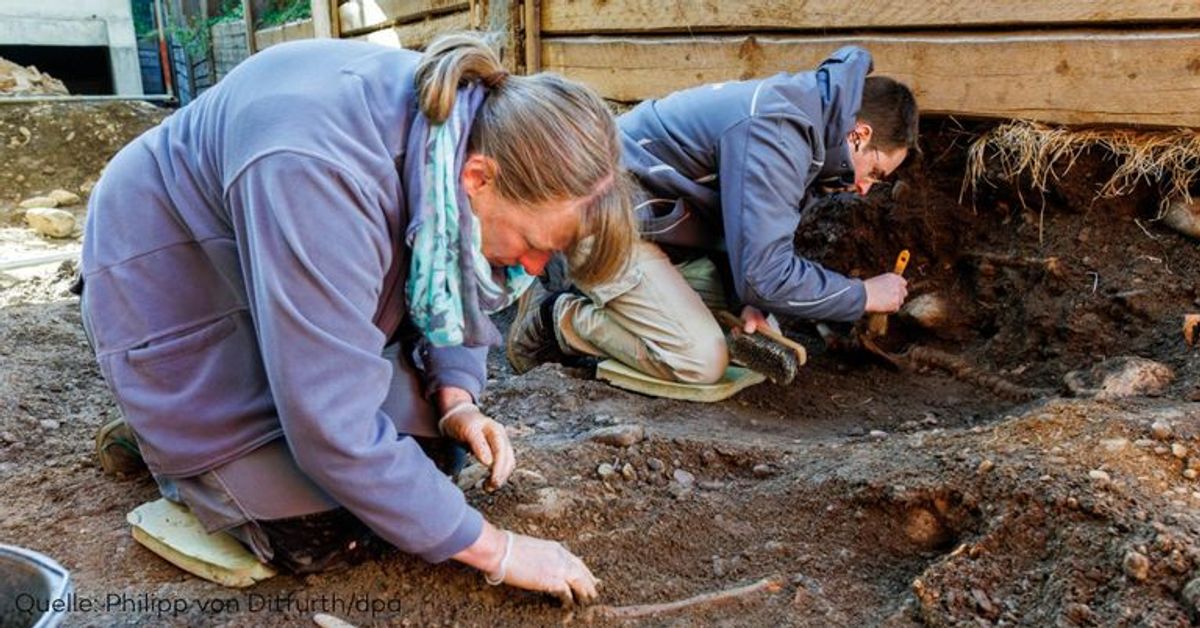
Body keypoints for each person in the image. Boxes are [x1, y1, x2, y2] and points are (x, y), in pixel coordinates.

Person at [79, 32, 635, 604]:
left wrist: (457, 398)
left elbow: (446, 269)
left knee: (433, 456)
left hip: (274, 270)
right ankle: (174, 440)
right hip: (174, 283)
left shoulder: (465, 125)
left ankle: (218, 427)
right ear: (480, 179)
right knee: (318, 536)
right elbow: (332, 426)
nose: (534, 267)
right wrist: (499, 550)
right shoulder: (318, 165)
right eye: (534, 243)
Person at [507, 46, 918, 384]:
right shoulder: (778, 131)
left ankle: (600, 291)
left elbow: (748, 235)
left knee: (741, 330)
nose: (865, 188)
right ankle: (557, 316)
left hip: (654, 223)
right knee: (701, 360)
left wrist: (747, 302)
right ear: (859, 135)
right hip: (604, 215)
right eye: (876, 172)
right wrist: (864, 294)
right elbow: (765, 274)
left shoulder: (807, 130)